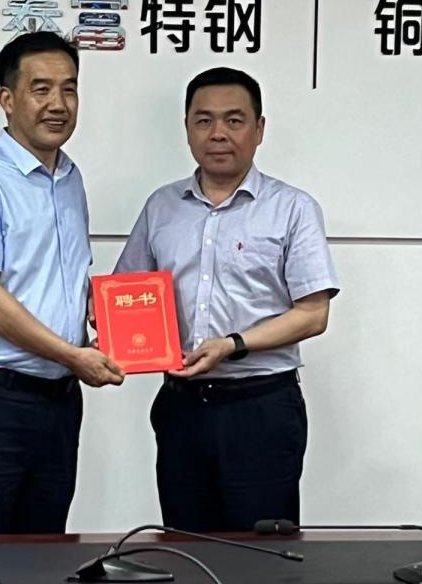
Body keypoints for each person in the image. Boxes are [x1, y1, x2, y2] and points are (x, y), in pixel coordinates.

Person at [113, 66, 339, 532]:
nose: (218, 133)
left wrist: (233, 344)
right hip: (182, 408)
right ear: (187, 127)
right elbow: (126, 293)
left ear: (259, 128)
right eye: (204, 120)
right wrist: (107, 328)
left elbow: (313, 314)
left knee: (261, 551)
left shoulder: (292, 208)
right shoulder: (161, 206)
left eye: (234, 120)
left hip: (260, 408)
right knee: (185, 544)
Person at [0, 31, 124, 535]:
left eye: (69, 89)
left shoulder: (70, 178)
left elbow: (55, 276)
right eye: (41, 89)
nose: (58, 104)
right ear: (7, 98)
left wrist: (97, 309)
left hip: (58, 402)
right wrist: (72, 355)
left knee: (45, 553)